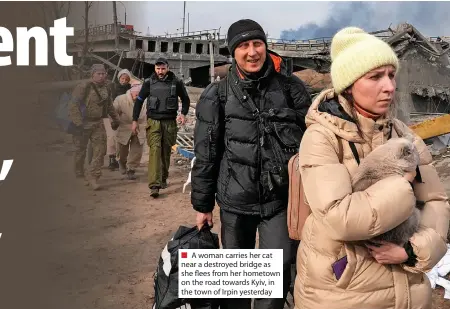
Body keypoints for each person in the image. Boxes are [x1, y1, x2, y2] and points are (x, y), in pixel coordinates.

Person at [294, 27, 450, 309]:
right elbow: (339, 217)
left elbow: (436, 201)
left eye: (391, 75)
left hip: (409, 289)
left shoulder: (405, 135)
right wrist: (403, 186)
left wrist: (412, 252)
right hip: (345, 290)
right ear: (349, 85)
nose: (389, 86)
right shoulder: (322, 137)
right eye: (375, 77)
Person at [191, 19, 312, 309]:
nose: (252, 52)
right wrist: (203, 206)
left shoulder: (291, 90)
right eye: (243, 46)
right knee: (237, 284)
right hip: (234, 203)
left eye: (257, 43)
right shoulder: (216, 95)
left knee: (278, 272)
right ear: (233, 52)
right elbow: (206, 155)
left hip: (279, 203)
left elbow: (314, 144)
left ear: (266, 47)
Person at [132, 57, 190, 198]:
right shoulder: (148, 83)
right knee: (155, 150)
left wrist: (183, 114)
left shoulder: (176, 83)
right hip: (154, 122)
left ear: (167, 68)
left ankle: (163, 178)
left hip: (170, 123)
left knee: (165, 152)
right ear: (155, 69)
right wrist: (134, 120)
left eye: (163, 68)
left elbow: (186, 99)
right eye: (158, 69)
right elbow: (139, 102)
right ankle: (154, 185)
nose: (160, 71)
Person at [68, 64, 120, 190]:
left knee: (100, 151)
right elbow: (73, 105)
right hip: (82, 124)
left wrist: (116, 119)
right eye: (99, 74)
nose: (102, 76)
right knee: (80, 150)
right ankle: (79, 174)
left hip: (98, 123)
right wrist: (78, 123)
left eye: (103, 74)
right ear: (92, 75)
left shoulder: (106, 88)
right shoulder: (83, 87)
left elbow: (109, 106)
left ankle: (93, 176)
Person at [113, 83, 147, 180]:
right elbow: (114, 112)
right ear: (131, 92)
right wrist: (114, 122)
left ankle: (131, 169)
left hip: (139, 126)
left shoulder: (146, 100)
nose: (138, 97)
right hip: (124, 126)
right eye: (136, 95)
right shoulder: (120, 99)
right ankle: (122, 163)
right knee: (122, 149)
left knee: (137, 150)